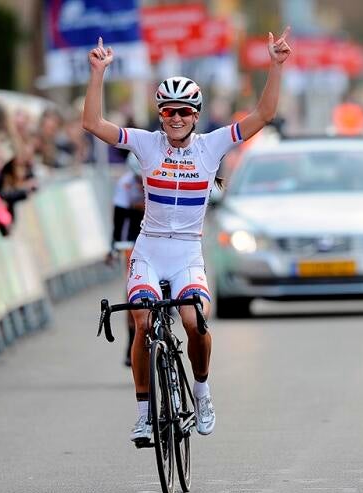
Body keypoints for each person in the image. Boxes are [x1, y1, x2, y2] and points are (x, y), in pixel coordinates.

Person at [82, 29, 292, 443]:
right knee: (142, 325)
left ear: (196, 116)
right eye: (168, 112)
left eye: (183, 112)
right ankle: (144, 413)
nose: (175, 118)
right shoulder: (145, 144)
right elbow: (92, 123)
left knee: (194, 322)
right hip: (150, 251)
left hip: (186, 256)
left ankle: (202, 391)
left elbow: (263, 115)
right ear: (160, 115)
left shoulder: (211, 146)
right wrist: (97, 73)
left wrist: (276, 64)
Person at [111, 152, 145, 368]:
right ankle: (131, 339)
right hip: (133, 233)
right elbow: (118, 221)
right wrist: (113, 245)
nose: (142, 183)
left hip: (157, 231)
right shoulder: (125, 184)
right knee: (132, 288)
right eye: (138, 179)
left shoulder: (162, 177)